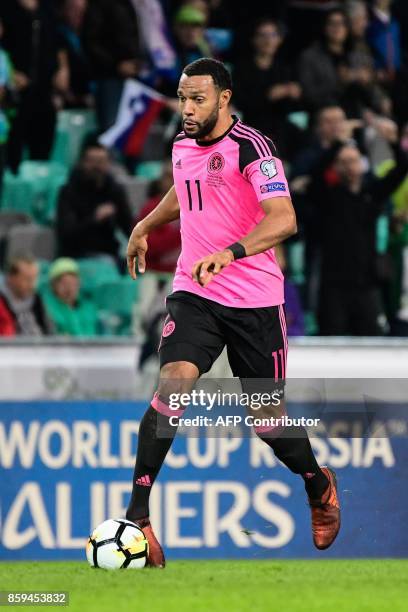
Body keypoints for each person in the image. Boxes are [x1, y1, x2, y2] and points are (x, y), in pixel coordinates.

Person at [126, 58, 341, 567]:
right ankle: (138, 518)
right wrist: (145, 225)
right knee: (173, 384)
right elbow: (186, 189)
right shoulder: (181, 145)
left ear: (224, 98)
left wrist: (233, 252)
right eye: (182, 98)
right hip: (195, 290)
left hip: (254, 299)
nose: (187, 108)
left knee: (267, 420)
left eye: (197, 98)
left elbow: (285, 218)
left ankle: (318, 485)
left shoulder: (252, 148)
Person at [307, 124, 408, 335]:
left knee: (373, 339)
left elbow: (402, 167)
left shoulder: (372, 193)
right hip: (334, 284)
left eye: (352, 161)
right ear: (335, 167)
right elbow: (315, 173)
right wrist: (338, 143)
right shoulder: (328, 196)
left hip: (366, 283)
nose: (348, 166)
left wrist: (391, 140)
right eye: (342, 162)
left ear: (362, 164)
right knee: (331, 338)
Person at [0, 0, 66, 172]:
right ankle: (13, 184)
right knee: (15, 142)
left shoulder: (47, 7)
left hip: (44, 87)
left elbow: (58, 40)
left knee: (43, 139)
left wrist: (63, 69)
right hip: (15, 90)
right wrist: (11, 72)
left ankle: (39, 186)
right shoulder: (6, 7)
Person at [234, 18, 303, 160]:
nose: (268, 40)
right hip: (252, 124)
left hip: (279, 125)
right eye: (262, 35)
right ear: (254, 40)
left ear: (279, 40)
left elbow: (291, 107)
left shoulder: (284, 69)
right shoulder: (243, 69)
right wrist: (268, 96)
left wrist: (294, 94)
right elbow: (240, 102)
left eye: (272, 35)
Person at [56, 142, 133, 264]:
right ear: (82, 163)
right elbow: (66, 234)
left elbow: (128, 226)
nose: (97, 167)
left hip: (110, 253)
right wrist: (95, 218)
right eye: (92, 161)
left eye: (101, 161)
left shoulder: (115, 190)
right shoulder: (69, 191)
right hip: (77, 254)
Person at [82, 0, 141, 131]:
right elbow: (90, 42)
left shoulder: (130, 4)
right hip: (109, 79)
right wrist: (116, 65)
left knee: (130, 133)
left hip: (134, 78)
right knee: (112, 130)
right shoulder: (101, 4)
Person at [136, 160, 181, 273]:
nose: (174, 180)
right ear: (161, 181)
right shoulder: (150, 209)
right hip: (156, 273)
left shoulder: (196, 208)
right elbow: (147, 246)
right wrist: (179, 231)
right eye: (169, 176)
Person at [43, 257, 98, 336]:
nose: (69, 288)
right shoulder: (47, 309)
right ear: (53, 286)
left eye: (73, 283)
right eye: (64, 283)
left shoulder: (89, 307)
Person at [0, 255, 52, 336]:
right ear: (11, 278)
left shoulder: (37, 298)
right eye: (27, 279)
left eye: (34, 279)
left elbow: (49, 329)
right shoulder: (2, 301)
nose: (32, 284)